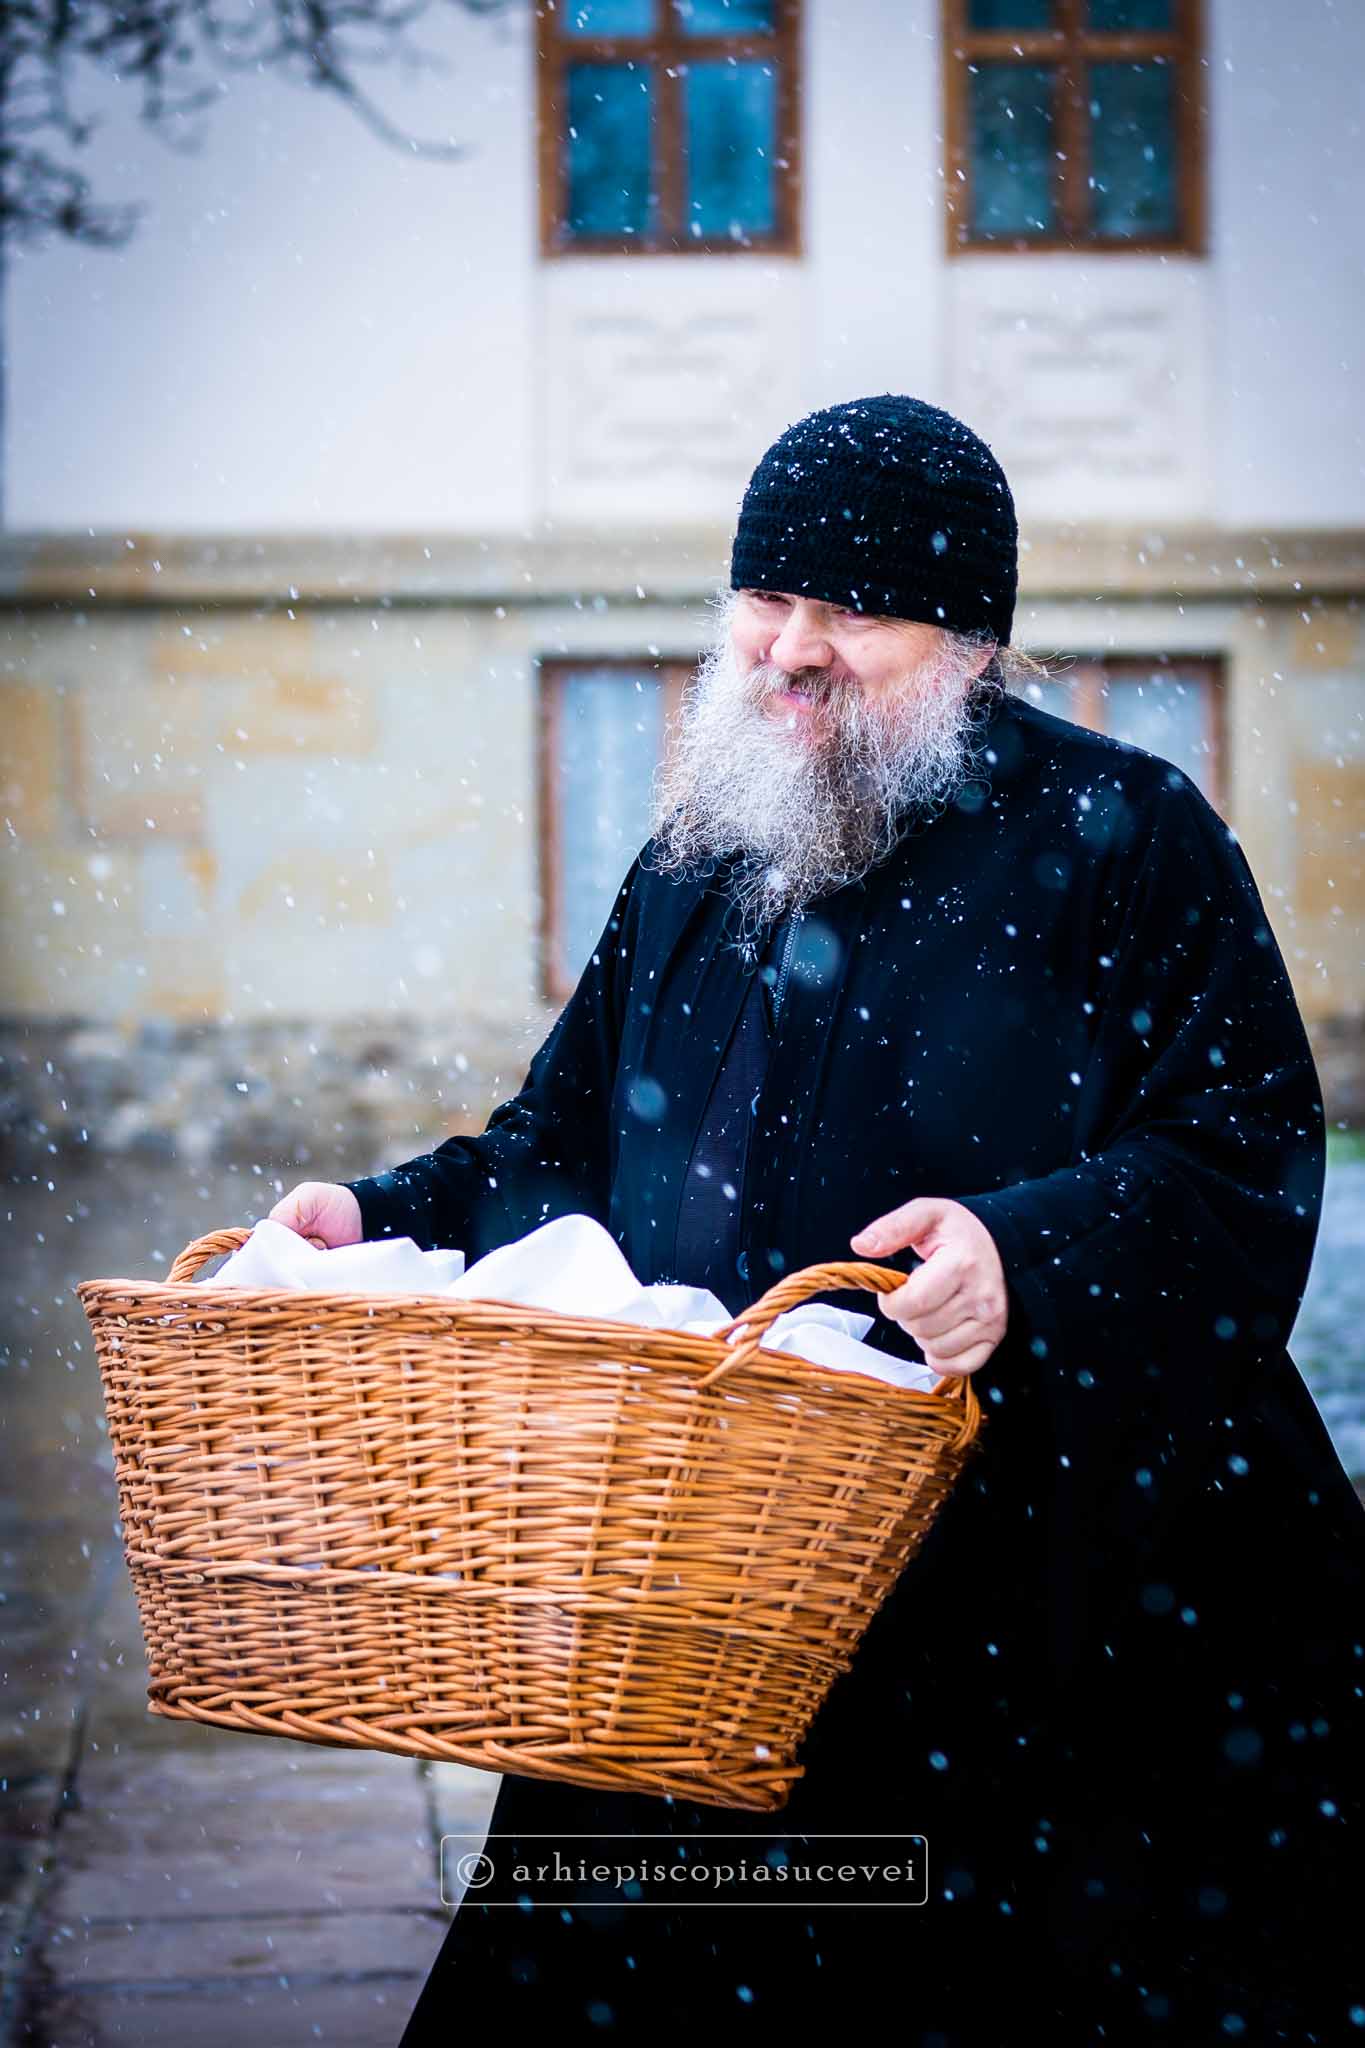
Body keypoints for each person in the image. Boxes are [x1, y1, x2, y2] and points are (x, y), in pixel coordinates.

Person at [270, 395, 1365, 2045]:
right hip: (709, 1580)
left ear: (971, 642)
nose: (793, 650)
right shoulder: (699, 855)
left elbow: (1241, 1148)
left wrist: (1025, 1254)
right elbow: (560, 1143)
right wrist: (376, 1215)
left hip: (1027, 1595)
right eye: (768, 600)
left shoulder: (1123, 837)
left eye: (854, 610)